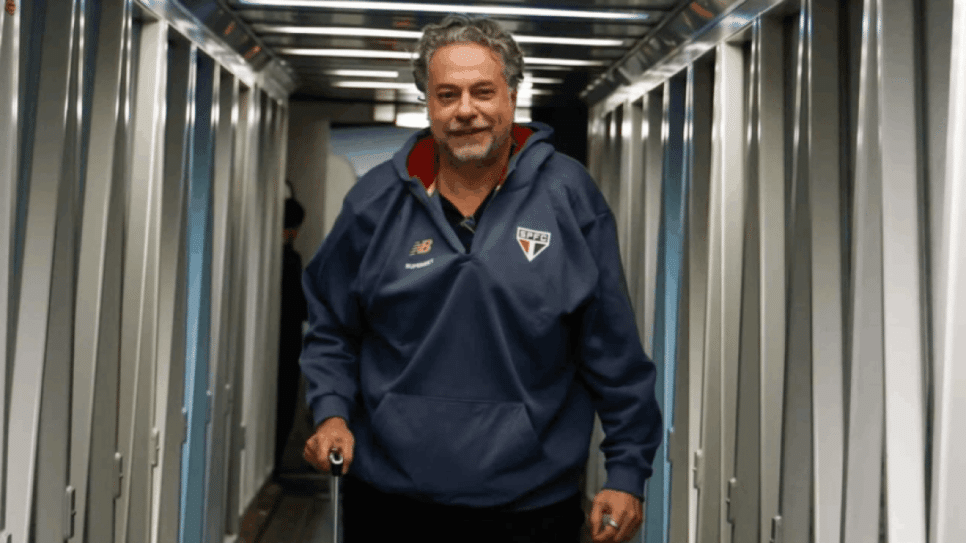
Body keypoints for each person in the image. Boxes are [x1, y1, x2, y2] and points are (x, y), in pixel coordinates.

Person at [300, 14, 662, 543]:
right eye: (447, 95)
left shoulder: (568, 197)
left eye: (482, 92)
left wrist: (627, 471)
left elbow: (612, 347)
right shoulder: (374, 202)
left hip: (531, 505)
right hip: (386, 499)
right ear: (428, 103)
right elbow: (332, 328)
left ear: (512, 96)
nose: (465, 110)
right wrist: (331, 413)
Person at [275, 193, 308, 475]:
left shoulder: (281, 260)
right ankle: (275, 466)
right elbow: (302, 305)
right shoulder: (289, 261)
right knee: (284, 404)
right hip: (287, 344)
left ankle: (275, 466)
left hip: (284, 342)